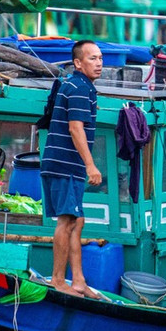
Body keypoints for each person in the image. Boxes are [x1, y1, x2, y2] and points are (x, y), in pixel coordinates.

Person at [41, 40, 104, 295]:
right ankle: (57, 280)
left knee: (77, 221)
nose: (99, 63)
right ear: (78, 63)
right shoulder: (78, 87)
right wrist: (91, 166)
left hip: (67, 164)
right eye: (92, 58)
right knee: (67, 222)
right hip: (66, 165)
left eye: (100, 58)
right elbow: (75, 128)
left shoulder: (81, 86)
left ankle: (78, 281)